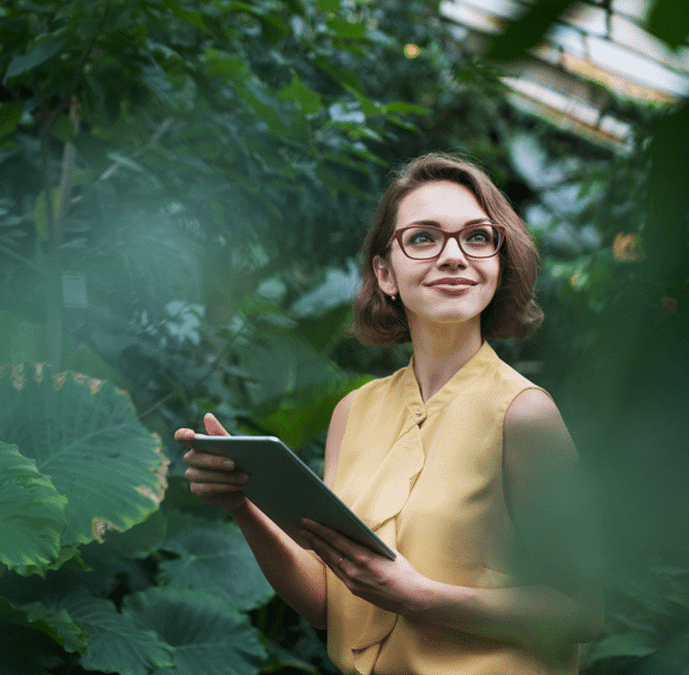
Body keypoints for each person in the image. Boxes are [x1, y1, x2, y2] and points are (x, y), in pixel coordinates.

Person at [174, 153, 602, 675]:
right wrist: (243, 504)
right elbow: (330, 606)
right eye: (423, 238)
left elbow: (583, 610)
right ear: (385, 273)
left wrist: (420, 597)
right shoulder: (354, 412)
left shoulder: (525, 414)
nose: (453, 256)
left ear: (499, 261)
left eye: (477, 237)